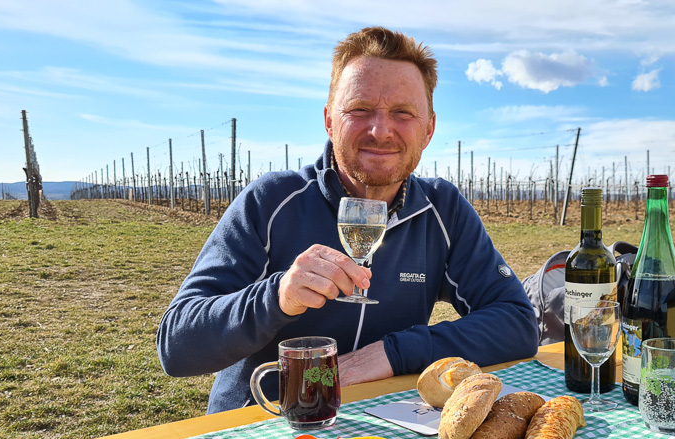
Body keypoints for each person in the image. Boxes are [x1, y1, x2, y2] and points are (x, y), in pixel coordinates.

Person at [157, 26, 539, 413]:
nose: (380, 130)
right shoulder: (272, 201)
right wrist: (276, 297)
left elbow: (518, 324)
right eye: (359, 109)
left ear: (429, 129)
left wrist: (391, 353)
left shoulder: (443, 210)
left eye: (403, 113)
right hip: (265, 426)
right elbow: (176, 346)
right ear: (328, 120)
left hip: (387, 425)